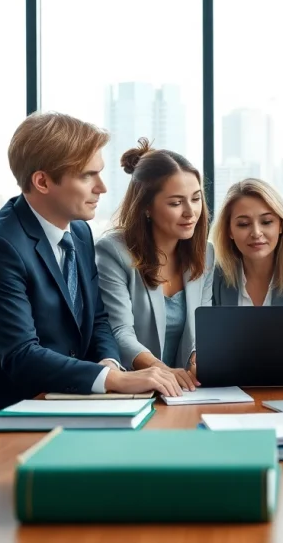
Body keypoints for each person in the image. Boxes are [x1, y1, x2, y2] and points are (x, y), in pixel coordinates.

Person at [0, 113, 182, 444]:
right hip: (0, 424)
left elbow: (98, 318)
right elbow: (22, 356)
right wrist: (114, 380)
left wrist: (108, 363)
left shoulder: (80, 231)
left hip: (64, 406)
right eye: (89, 176)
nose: (102, 187)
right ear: (43, 182)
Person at [96, 138, 213, 390]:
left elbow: (205, 327)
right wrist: (161, 371)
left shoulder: (206, 253)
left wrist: (196, 358)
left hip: (188, 389)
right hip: (134, 387)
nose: (190, 212)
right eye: (175, 203)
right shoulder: (113, 251)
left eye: (196, 199)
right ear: (146, 207)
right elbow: (119, 331)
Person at [211, 178, 283, 307]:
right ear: (229, 231)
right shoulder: (214, 273)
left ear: (281, 225)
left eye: (267, 222)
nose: (256, 233)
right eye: (243, 224)